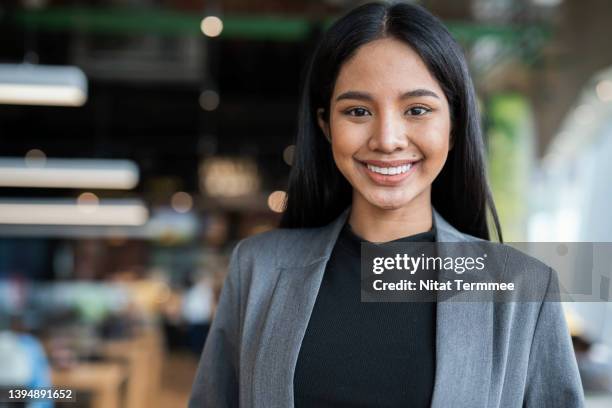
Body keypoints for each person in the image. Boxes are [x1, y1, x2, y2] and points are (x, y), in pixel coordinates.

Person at [189, 2, 584, 407]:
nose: (388, 138)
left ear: (454, 123)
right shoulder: (259, 269)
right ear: (326, 125)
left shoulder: (524, 291)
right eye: (358, 111)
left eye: (417, 110)